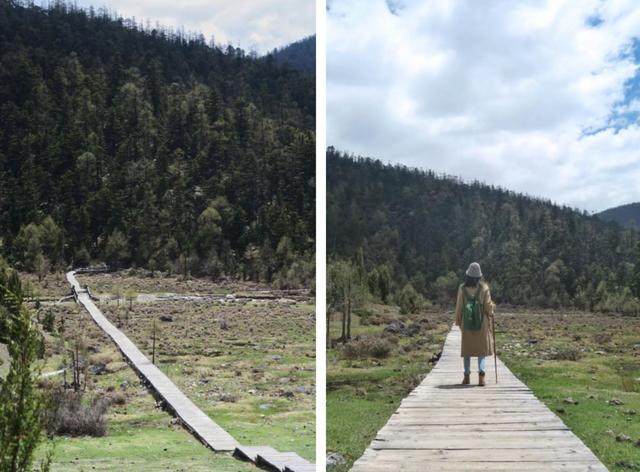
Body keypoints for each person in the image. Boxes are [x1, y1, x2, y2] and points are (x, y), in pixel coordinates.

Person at [454, 262, 495, 386]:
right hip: (481, 323)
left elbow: (459, 306)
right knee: (481, 350)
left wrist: (458, 321)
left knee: (467, 350)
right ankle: (481, 377)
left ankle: (466, 377)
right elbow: (488, 306)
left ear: (468, 275)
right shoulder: (484, 288)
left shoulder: (462, 288)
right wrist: (492, 311)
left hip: (467, 322)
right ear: (479, 276)